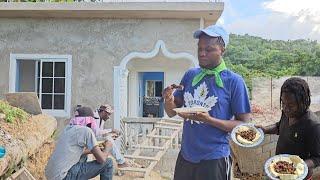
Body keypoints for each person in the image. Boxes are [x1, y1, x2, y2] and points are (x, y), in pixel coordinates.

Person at [163, 25, 251, 180]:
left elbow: (243, 125)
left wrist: (208, 120)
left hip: (214, 158)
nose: (202, 54)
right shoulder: (191, 75)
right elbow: (171, 112)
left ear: (222, 50)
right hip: (186, 156)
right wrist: (168, 99)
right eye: (199, 48)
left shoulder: (234, 82)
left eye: (209, 49)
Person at [256, 77, 320, 179]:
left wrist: (299, 165)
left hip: (298, 176)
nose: (285, 108)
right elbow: (279, 126)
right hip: (279, 170)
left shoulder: (313, 125)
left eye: (290, 105)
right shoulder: (287, 113)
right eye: (283, 103)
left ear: (303, 102)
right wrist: (265, 130)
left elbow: (317, 158)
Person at [45, 107, 113, 180]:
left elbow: (76, 152)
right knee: (108, 163)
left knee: (83, 157)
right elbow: (102, 159)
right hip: (64, 176)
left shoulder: (67, 129)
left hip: (50, 175)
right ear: (89, 120)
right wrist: (108, 147)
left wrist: (94, 150)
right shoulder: (86, 131)